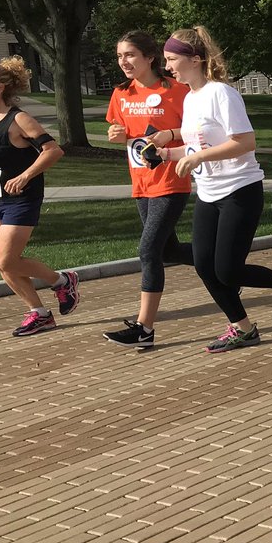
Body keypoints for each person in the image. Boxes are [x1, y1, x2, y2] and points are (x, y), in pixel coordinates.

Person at [157, 26, 272, 352]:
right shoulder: (190, 98)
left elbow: (244, 142)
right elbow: (197, 145)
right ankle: (243, 328)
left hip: (240, 190)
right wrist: (165, 154)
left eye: (171, 59)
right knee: (204, 265)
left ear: (195, 59)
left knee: (227, 270)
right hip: (209, 192)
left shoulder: (221, 94)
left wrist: (197, 156)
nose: (167, 65)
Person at [102, 31, 193, 349]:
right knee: (168, 251)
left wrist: (169, 135)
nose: (123, 62)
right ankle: (227, 267)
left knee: (148, 251)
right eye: (119, 56)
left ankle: (144, 327)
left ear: (149, 57)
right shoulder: (121, 93)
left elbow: (197, 130)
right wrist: (117, 133)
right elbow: (120, 130)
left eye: (129, 55)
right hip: (141, 183)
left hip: (171, 179)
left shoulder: (177, 90)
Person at [0, 56, 80, 337]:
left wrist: (25, 175)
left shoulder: (18, 119)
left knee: (6, 260)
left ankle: (62, 280)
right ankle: (39, 313)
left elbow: (53, 150)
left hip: (20, 198)